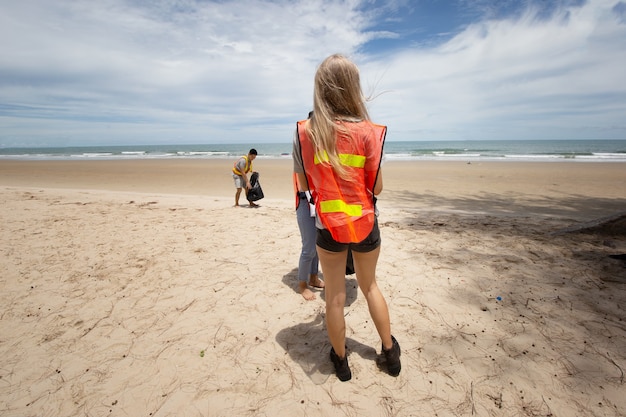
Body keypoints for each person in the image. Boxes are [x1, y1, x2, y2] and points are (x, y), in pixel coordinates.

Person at [292, 54, 401, 381]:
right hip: (365, 222)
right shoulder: (369, 132)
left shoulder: (306, 131)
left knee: (335, 296)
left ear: (320, 89)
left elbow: (305, 183)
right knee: (369, 286)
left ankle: (341, 362)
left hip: (329, 225)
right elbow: (376, 186)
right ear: (354, 88)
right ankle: (389, 354)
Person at [293, 111, 324, 301]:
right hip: (305, 203)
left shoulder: (322, 150)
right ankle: (302, 284)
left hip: (320, 203)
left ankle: (313, 277)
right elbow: (303, 183)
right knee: (308, 248)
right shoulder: (303, 148)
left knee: (318, 246)